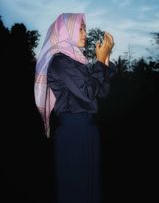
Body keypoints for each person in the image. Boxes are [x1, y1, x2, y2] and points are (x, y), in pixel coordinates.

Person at [34, 13, 116, 203]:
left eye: (85, 28)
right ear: (66, 31)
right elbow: (88, 92)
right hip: (73, 131)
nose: (84, 33)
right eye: (80, 28)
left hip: (88, 129)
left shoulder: (78, 61)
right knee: (75, 189)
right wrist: (100, 64)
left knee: (90, 189)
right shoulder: (60, 61)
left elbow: (101, 92)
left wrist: (104, 60)